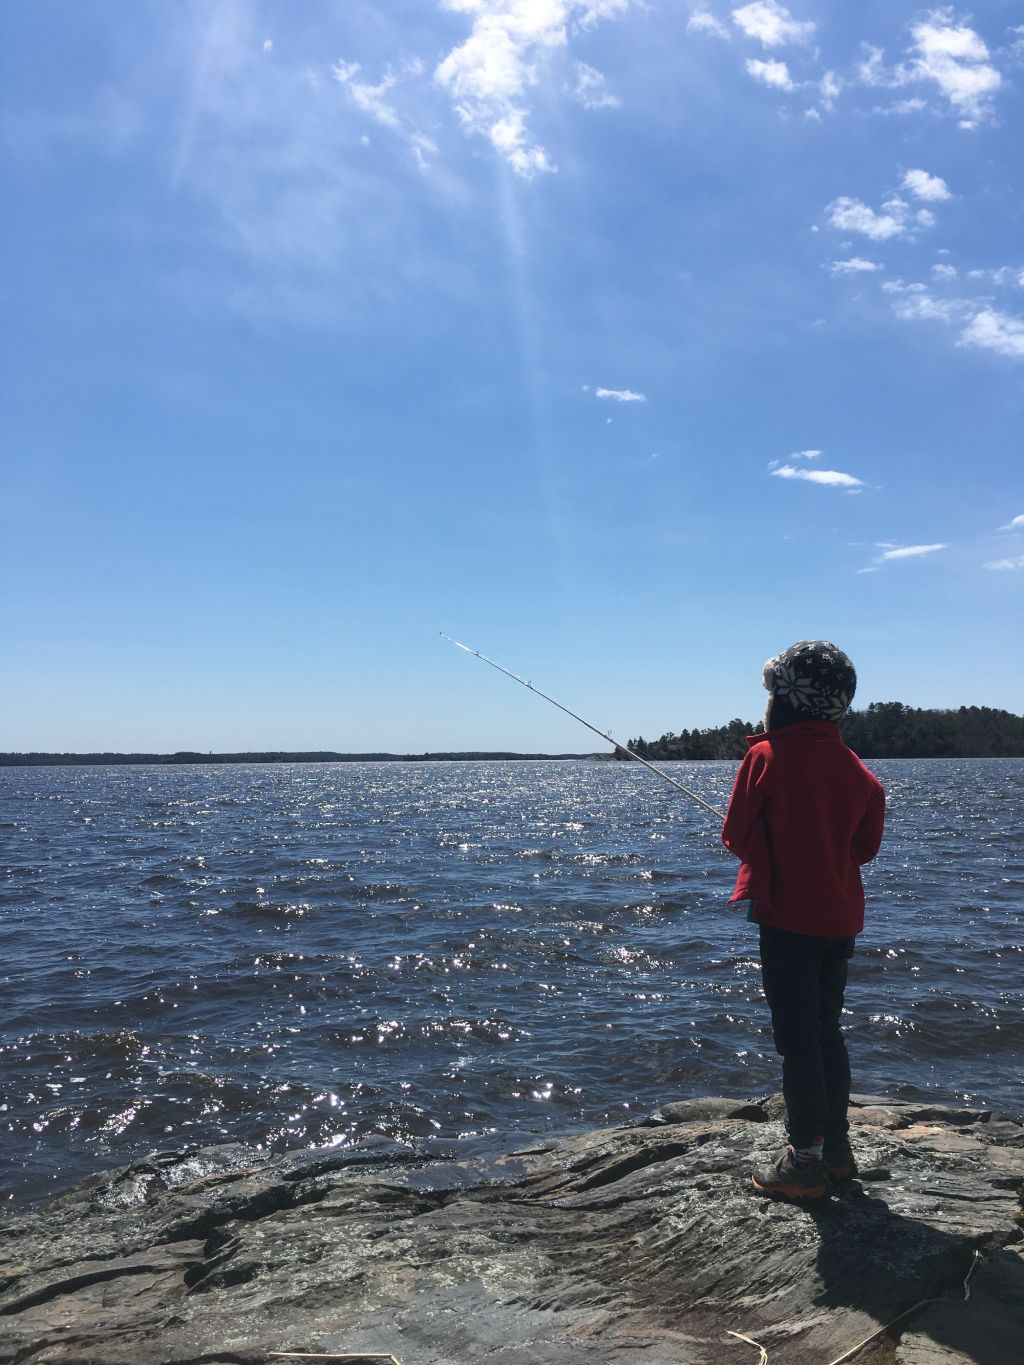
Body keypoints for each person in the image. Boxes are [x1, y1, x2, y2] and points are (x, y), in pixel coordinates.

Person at [722, 640, 885, 1200]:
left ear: (784, 700)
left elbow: (735, 836)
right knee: (826, 1032)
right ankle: (837, 1152)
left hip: (788, 920)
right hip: (840, 920)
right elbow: (864, 848)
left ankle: (804, 1163)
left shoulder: (765, 757)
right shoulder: (859, 771)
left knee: (798, 1041)